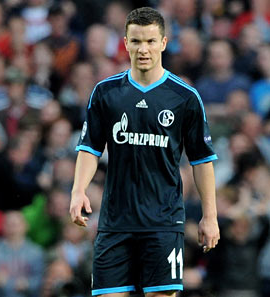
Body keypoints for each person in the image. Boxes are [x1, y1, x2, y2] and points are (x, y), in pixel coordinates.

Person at [70, 7, 220, 297]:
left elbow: (202, 159)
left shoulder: (185, 97)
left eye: (151, 41)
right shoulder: (106, 92)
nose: (143, 49)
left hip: (163, 222)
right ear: (125, 43)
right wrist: (78, 190)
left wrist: (209, 216)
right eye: (136, 41)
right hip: (115, 222)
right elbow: (89, 147)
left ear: (163, 43)